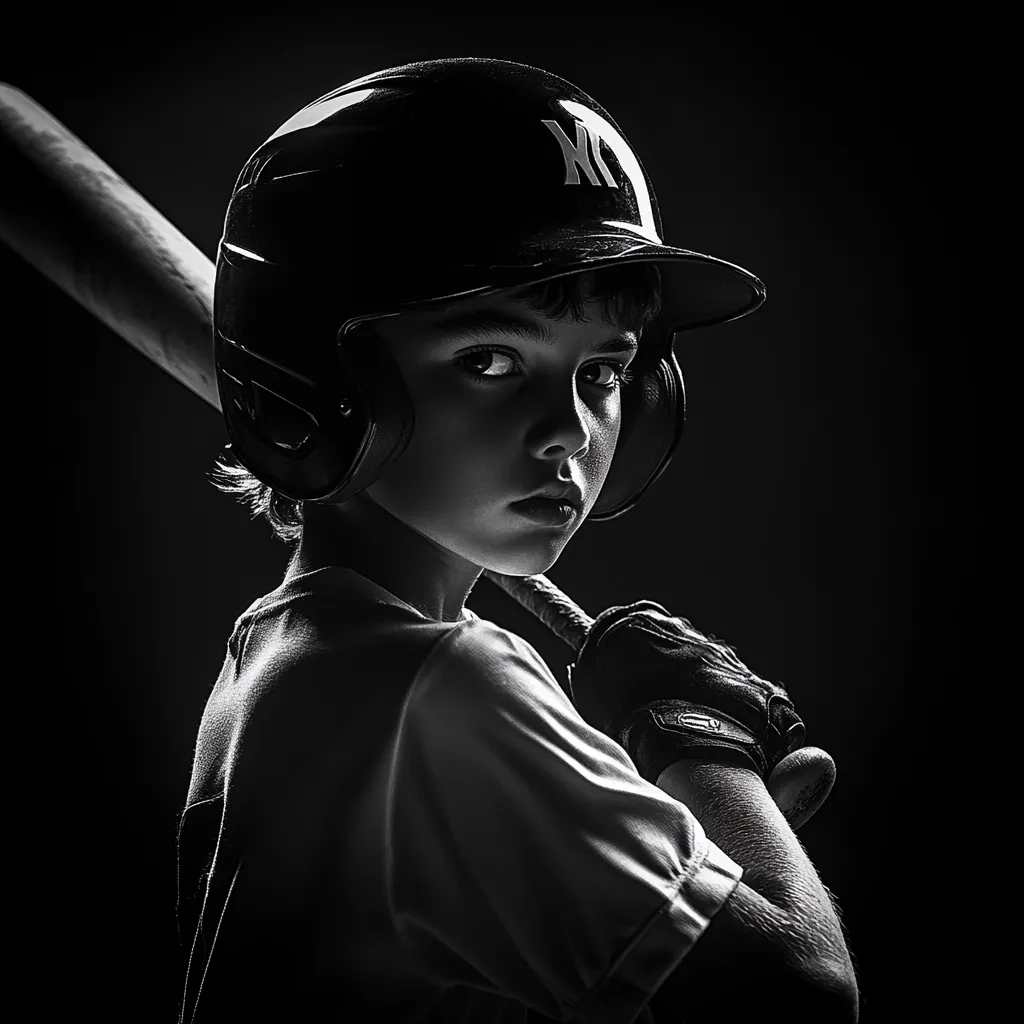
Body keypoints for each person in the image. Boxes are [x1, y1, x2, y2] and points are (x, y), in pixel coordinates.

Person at [176, 58, 859, 1022]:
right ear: (312, 387)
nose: (571, 432)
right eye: (490, 359)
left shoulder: (287, 653)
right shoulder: (440, 689)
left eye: (604, 373)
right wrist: (699, 746)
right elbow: (804, 999)